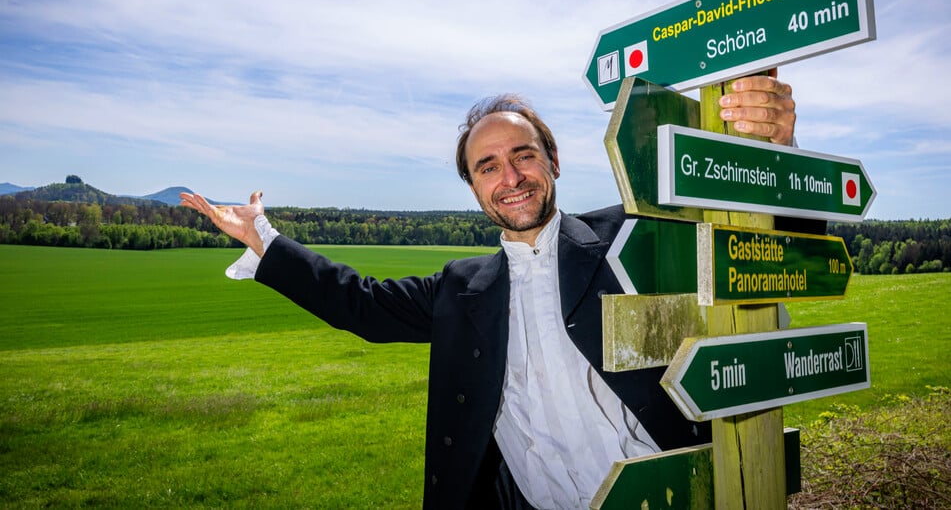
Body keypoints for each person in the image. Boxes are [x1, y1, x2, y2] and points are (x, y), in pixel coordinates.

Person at [181, 76, 796, 509]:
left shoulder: (631, 237)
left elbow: (755, 249)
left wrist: (776, 150)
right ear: (473, 187)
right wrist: (265, 241)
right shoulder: (460, 288)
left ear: (553, 161)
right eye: (488, 166)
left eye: (523, 156)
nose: (511, 179)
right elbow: (361, 302)